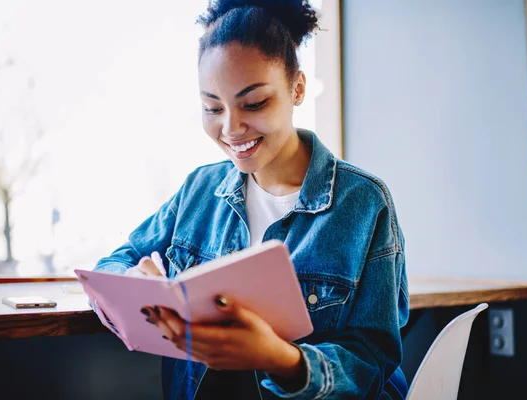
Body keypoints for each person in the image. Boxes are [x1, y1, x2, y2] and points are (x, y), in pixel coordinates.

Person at [92, 0, 409, 398]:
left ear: (297, 89)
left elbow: (372, 362)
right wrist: (133, 284)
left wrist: (281, 358)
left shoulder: (363, 204)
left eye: (254, 103)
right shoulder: (198, 191)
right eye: (212, 107)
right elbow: (113, 264)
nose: (231, 128)